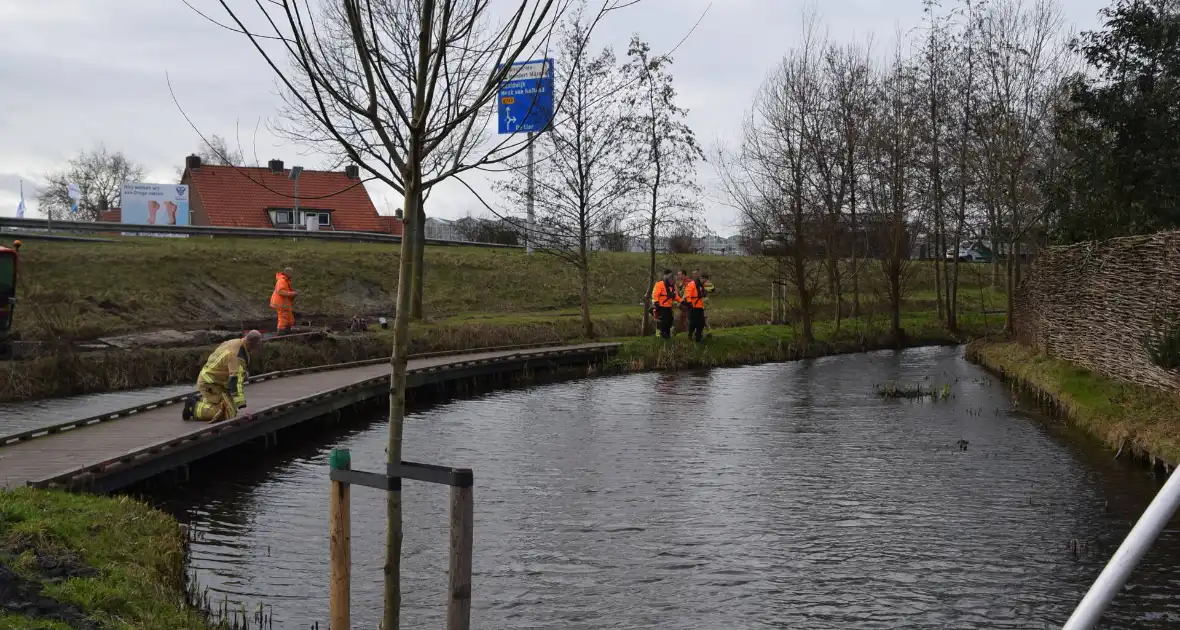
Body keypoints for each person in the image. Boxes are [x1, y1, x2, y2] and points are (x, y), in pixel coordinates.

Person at [183, 330, 262, 423]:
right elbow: (235, 383)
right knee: (228, 413)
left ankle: (204, 400)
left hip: (215, 380)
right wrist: (242, 406)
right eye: (258, 344)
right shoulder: (237, 356)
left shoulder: (234, 342)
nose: (259, 346)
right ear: (252, 342)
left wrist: (243, 373)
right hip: (210, 383)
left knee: (231, 406)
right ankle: (193, 407)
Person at [650, 269, 678, 339]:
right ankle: (661, 334)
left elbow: (675, 295)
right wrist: (656, 303)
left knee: (669, 320)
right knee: (662, 320)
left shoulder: (673, 285)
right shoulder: (659, 284)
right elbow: (655, 294)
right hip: (661, 306)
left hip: (669, 306)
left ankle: (666, 334)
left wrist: (678, 302)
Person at [270, 267, 297, 333]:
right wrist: (291, 294)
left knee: (290, 319)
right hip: (281, 304)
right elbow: (280, 291)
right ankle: (280, 335)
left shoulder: (286, 280)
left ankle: (287, 332)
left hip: (285, 304)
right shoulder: (281, 281)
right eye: (291, 273)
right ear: (288, 273)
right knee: (283, 320)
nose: (292, 275)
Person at [681, 270, 706, 342]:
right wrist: (689, 303)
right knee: (694, 322)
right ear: (701, 278)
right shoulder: (692, 284)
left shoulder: (701, 285)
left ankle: (698, 337)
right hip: (693, 306)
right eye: (704, 280)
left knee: (701, 322)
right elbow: (687, 294)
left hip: (699, 306)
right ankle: (690, 335)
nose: (705, 281)